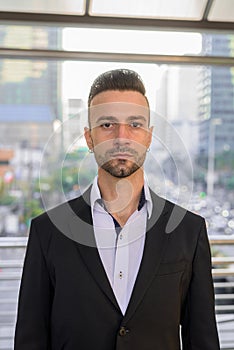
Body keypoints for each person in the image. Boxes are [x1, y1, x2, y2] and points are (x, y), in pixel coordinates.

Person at [14, 69, 220, 350]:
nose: (122, 137)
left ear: (148, 137)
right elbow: (30, 339)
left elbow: (203, 338)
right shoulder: (48, 231)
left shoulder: (189, 230)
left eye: (135, 124)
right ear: (89, 139)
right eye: (107, 124)